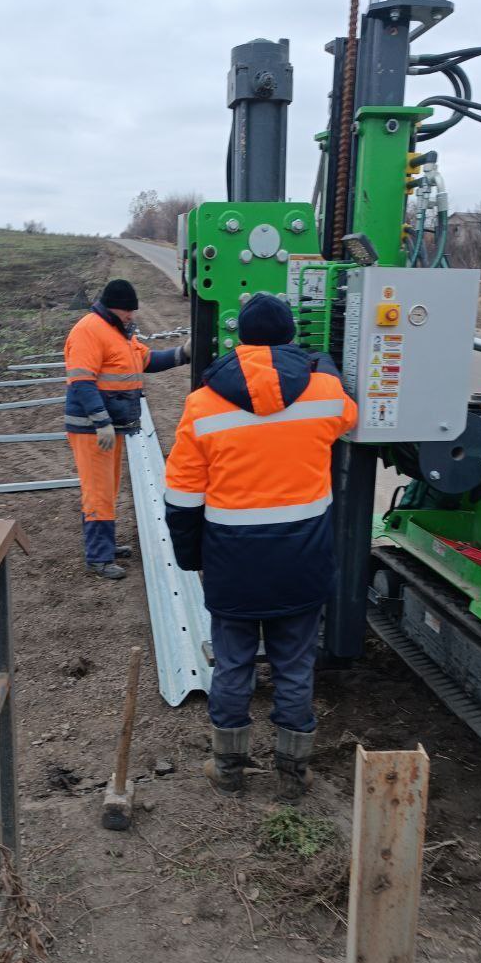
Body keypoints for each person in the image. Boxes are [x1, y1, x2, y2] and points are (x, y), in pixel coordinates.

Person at [164, 293, 357, 798]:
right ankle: (293, 774)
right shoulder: (323, 394)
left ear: (239, 339)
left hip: (233, 566)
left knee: (233, 665)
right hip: (303, 563)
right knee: (295, 666)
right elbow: (349, 414)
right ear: (292, 335)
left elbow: (181, 498)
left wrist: (192, 559)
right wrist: (327, 363)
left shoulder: (202, 404)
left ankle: (228, 768)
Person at [64, 279, 190, 579]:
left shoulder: (119, 333)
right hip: (92, 429)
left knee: (109, 488)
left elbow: (146, 360)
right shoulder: (89, 330)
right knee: (99, 492)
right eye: (127, 311)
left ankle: (104, 545)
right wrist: (101, 422)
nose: (132, 316)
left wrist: (184, 353)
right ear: (112, 307)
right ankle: (98, 557)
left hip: (112, 426)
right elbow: (81, 381)